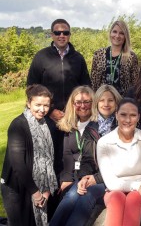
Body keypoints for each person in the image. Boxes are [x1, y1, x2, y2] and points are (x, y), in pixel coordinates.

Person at [27, 18, 91, 179]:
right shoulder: (41, 57)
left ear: (70, 35)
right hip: (47, 116)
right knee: (48, 155)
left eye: (65, 32)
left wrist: (75, 111)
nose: (61, 35)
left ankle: (69, 189)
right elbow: (32, 87)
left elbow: (86, 87)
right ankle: (49, 192)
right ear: (52, 34)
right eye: (57, 32)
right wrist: (50, 110)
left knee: (70, 156)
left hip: (73, 116)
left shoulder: (78, 58)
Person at [50, 85, 121, 225]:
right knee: (70, 196)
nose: (83, 106)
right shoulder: (92, 127)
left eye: (87, 101)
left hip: (109, 178)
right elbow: (74, 155)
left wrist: (93, 178)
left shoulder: (117, 124)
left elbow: (118, 161)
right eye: (78, 102)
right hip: (88, 175)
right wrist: (76, 178)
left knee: (85, 197)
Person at [97, 98, 141, 226]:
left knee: (134, 197)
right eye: (123, 115)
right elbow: (111, 183)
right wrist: (137, 186)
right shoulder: (104, 142)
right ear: (116, 115)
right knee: (116, 198)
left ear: (138, 117)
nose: (127, 120)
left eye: (132, 115)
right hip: (116, 192)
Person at [1, 84, 58, 226]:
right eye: (38, 104)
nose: (42, 109)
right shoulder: (18, 125)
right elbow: (17, 163)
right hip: (16, 186)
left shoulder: (49, 124)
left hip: (42, 189)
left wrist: (46, 190)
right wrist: (36, 192)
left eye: (46, 105)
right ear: (28, 103)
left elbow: (52, 158)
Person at [91, 20, 139, 96]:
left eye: (121, 33)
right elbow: (94, 82)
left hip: (123, 103)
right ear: (110, 33)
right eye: (115, 32)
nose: (117, 36)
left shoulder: (131, 57)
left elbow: (135, 84)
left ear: (125, 36)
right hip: (102, 101)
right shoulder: (99, 54)